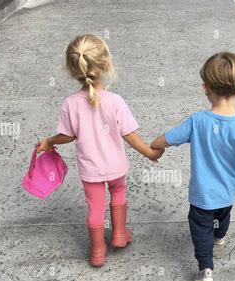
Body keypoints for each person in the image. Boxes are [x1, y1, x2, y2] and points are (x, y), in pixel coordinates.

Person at [38, 34, 163, 267]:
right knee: (119, 193)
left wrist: (49, 140)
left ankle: (97, 251)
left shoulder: (70, 103)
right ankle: (119, 234)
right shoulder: (115, 101)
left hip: (90, 170)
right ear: (106, 65)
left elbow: (68, 135)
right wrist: (150, 152)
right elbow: (129, 135)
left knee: (94, 206)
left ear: (72, 69)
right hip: (115, 166)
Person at [151, 52, 235, 281]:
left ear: (205, 89)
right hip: (228, 193)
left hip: (201, 196)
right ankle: (220, 235)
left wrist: (154, 147)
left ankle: (206, 267)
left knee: (199, 228)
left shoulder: (197, 121)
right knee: (222, 216)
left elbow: (169, 137)